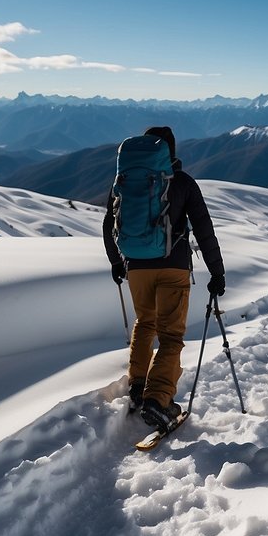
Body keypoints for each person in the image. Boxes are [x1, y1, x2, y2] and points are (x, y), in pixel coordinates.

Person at [103, 126, 225, 430]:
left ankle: (138, 386)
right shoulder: (182, 182)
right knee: (170, 335)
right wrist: (217, 271)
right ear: (170, 151)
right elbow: (203, 228)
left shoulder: (125, 179)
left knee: (145, 322)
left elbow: (110, 223)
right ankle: (158, 400)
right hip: (173, 267)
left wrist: (117, 261)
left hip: (136, 266)